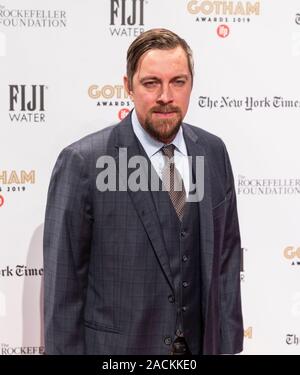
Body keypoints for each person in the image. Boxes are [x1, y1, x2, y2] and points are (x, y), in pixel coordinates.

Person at [43, 28, 243, 355]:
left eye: (178, 82)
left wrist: (229, 346)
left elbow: (226, 261)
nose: (166, 96)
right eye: (151, 83)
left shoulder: (213, 151)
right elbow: (63, 292)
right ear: (128, 87)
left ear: (191, 84)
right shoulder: (84, 162)